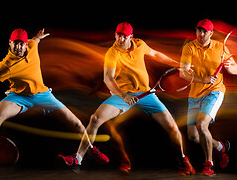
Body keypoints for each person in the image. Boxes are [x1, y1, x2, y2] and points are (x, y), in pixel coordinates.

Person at [58, 22, 195, 176]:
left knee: (172, 127)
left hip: (146, 95)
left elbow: (156, 54)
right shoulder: (112, 53)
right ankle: (78, 158)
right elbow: (108, 78)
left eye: (124, 36)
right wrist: (124, 95)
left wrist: (177, 64)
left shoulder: (140, 45)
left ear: (131, 37)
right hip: (122, 96)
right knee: (95, 118)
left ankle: (184, 161)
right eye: (118, 35)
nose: (120, 39)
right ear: (115, 35)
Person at [0, 28, 96, 175]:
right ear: (10, 43)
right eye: (16, 43)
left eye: (22, 44)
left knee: (77, 123)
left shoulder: (32, 45)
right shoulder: (5, 66)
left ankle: (79, 158)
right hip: (19, 98)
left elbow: (35, 40)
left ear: (26, 44)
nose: (19, 47)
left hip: (43, 95)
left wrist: (38, 36)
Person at [180, 19, 237, 176]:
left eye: (205, 31)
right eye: (199, 30)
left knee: (202, 125)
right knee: (193, 135)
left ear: (211, 33)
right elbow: (183, 73)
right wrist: (202, 80)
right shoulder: (189, 47)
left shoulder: (220, 47)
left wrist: (231, 67)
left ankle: (209, 165)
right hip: (194, 95)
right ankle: (220, 147)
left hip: (214, 91)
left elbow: (235, 69)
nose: (201, 34)